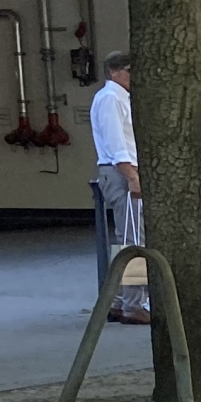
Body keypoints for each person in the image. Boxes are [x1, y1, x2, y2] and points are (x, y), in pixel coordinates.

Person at [90, 51, 148, 323]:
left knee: (127, 238)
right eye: (128, 69)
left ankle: (116, 301)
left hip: (119, 172)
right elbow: (117, 143)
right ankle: (133, 305)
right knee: (133, 239)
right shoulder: (112, 99)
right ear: (114, 71)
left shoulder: (115, 98)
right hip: (121, 173)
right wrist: (132, 176)